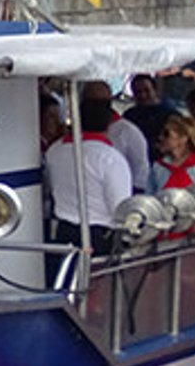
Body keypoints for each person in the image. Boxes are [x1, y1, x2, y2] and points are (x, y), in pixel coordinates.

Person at [42, 96, 134, 255]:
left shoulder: (54, 150)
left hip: (63, 231)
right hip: (98, 234)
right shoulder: (110, 158)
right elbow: (120, 208)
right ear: (109, 124)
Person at [81, 80, 151, 190]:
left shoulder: (128, 131)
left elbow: (141, 172)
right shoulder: (74, 133)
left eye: (100, 104)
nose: (95, 109)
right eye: (91, 103)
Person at [149, 112, 195, 194]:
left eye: (166, 134)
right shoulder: (158, 167)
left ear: (184, 138)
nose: (161, 137)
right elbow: (150, 198)